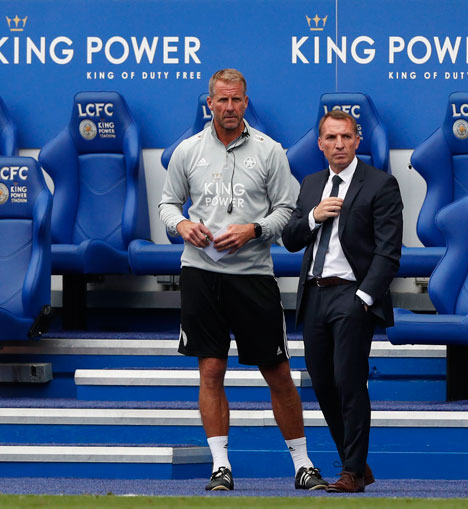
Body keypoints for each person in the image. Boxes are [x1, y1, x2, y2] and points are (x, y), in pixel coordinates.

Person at [159, 69, 327, 492]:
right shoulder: (187, 151)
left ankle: (303, 465)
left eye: (236, 101)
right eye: (222, 100)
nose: (229, 108)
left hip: (252, 275)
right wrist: (181, 225)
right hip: (200, 272)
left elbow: (287, 211)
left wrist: (253, 230)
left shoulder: (271, 151)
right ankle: (220, 467)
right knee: (210, 370)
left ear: (246, 102)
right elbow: (166, 203)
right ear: (209, 103)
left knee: (278, 371)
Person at [282, 110, 403, 493]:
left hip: (353, 295)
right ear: (320, 144)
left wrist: (365, 297)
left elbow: (389, 251)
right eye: (331, 138)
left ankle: (350, 472)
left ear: (358, 141)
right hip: (314, 293)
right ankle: (358, 464)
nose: (339, 144)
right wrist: (315, 216)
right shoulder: (312, 183)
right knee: (322, 384)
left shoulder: (380, 184)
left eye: (346, 137)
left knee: (349, 382)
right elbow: (290, 238)